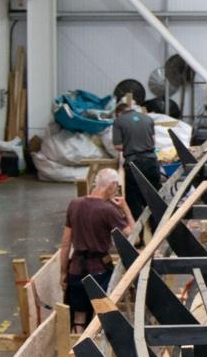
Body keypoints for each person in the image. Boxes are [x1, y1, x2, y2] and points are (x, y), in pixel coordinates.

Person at [59, 168, 134, 331]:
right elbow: (134, 237)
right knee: (101, 315)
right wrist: (126, 209)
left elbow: (65, 244)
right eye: (117, 187)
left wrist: (63, 272)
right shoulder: (108, 210)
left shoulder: (75, 204)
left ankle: (77, 348)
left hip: (76, 269)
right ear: (112, 185)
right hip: (99, 271)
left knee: (79, 316)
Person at [112, 102, 162, 218]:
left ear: (119, 113)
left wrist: (131, 145)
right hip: (152, 162)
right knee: (154, 198)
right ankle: (157, 230)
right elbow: (153, 141)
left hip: (134, 164)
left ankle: (138, 232)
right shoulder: (148, 118)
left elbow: (117, 146)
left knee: (134, 200)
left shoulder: (119, 121)